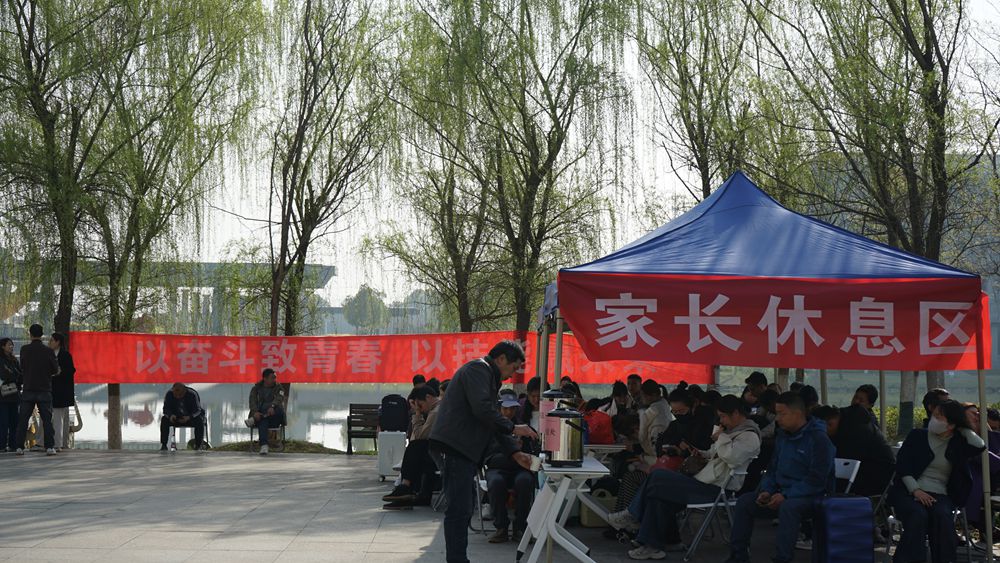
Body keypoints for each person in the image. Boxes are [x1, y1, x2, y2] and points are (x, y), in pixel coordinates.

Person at [608, 395, 762, 560]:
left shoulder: (749, 436)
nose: (721, 421)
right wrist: (701, 453)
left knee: (658, 476)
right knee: (658, 496)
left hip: (717, 488)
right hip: (705, 481)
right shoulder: (730, 432)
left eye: (723, 416)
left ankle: (633, 515)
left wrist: (721, 437)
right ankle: (659, 543)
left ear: (736, 413)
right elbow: (714, 453)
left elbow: (732, 457)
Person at [428, 340, 538, 563]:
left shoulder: (488, 377)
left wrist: (515, 454)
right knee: (459, 510)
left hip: (463, 450)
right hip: (454, 447)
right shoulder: (479, 369)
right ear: (501, 359)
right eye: (513, 367)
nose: (513, 374)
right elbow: (483, 411)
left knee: (463, 509)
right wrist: (514, 427)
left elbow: (490, 422)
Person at [726, 392, 835, 563]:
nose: (777, 419)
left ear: (797, 414)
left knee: (788, 507)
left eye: (782, 414)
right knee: (745, 501)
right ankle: (738, 556)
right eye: (777, 413)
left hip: (812, 497)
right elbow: (772, 470)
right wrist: (766, 490)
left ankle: (782, 559)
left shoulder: (819, 439)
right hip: (782, 493)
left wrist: (786, 495)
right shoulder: (783, 437)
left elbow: (816, 480)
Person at [889, 399, 986, 563]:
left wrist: (963, 428)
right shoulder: (917, 435)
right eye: (934, 415)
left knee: (942, 516)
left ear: (951, 425)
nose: (934, 419)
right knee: (918, 515)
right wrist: (916, 490)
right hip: (908, 490)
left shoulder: (957, 442)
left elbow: (979, 445)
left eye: (939, 417)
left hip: (940, 493)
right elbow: (902, 466)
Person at [486, 390, 540, 543]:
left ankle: (520, 528)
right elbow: (488, 458)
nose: (509, 412)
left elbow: (534, 453)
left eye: (512, 408)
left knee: (525, 481)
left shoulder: (525, 428)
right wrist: (512, 453)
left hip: (520, 470)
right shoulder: (491, 428)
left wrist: (524, 449)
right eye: (505, 408)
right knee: (496, 482)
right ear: (499, 408)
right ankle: (501, 527)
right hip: (497, 467)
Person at [382, 385, 441, 509]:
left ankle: (406, 487)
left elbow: (419, 435)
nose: (421, 409)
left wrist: (417, 414)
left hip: (445, 456)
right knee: (418, 449)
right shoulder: (439, 409)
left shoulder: (436, 412)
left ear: (428, 397)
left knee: (416, 447)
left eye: (420, 405)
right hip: (445, 453)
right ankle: (410, 491)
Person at [15, 324, 59, 456]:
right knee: (47, 420)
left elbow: (22, 367)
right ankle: (50, 447)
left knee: (23, 420)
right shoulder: (48, 351)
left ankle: (19, 447)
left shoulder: (24, 349)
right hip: (44, 389)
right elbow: (55, 369)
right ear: (42, 334)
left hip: (28, 389)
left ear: (30, 334)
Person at [833, 404, 895, 496]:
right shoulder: (859, 425)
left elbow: (847, 455)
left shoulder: (853, 431)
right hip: (880, 475)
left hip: (873, 480)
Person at [961, 403, 1000, 537]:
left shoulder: (984, 435)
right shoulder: (963, 436)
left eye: (978, 413)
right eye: (974, 414)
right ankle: (985, 529)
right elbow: (982, 453)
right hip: (969, 482)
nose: (978, 416)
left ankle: (987, 530)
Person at [244, 369, 285, 455]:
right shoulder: (256, 388)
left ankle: (254, 419)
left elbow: (279, 398)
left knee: (278, 409)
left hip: (275, 417)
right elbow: (252, 402)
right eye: (272, 378)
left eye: (275, 377)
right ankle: (264, 445)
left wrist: (272, 406)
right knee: (263, 421)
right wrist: (255, 412)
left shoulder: (279, 387)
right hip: (261, 417)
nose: (274, 380)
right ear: (265, 379)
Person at [159, 383, 207, 451]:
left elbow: (198, 410)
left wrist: (189, 417)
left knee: (199, 421)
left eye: (180, 395)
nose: (178, 397)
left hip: (190, 418)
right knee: (164, 420)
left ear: (185, 391)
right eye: (175, 395)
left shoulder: (192, 394)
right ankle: (164, 445)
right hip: (176, 418)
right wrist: (170, 415)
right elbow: (165, 409)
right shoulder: (169, 394)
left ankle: (198, 446)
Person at [48, 332, 75, 451]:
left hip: (61, 391)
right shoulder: (48, 354)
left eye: (51, 340)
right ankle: (44, 442)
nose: (49, 343)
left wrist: (59, 372)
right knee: (47, 417)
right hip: (49, 390)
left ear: (58, 342)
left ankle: (58, 444)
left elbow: (71, 371)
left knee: (59, 418)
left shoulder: (65, 355)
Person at [0, 338, 22, 451]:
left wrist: (14, 376)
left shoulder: (14, 360)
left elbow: (20, 376)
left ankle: (13, 444)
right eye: (9, 345)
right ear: (2, 346)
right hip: (3, 396)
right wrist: (14, 376)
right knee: (3, 422)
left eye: (12, 345)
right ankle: (2, 445)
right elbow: (5, 375)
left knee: (14, 421)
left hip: (14, 395)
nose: (11, 346)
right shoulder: (1, 360)